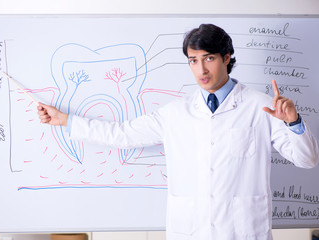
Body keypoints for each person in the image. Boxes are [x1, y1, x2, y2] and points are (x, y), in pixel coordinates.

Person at [37, 24, 319, 240]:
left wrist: (293, 122)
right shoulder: (175, 113)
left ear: (226, 57)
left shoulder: (261, 107)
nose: (201, 69)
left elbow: (307, 160)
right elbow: (122, 135)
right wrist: (67, 121)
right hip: (190, 231)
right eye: (193, 61)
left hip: (243, 231)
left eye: (208, 58)